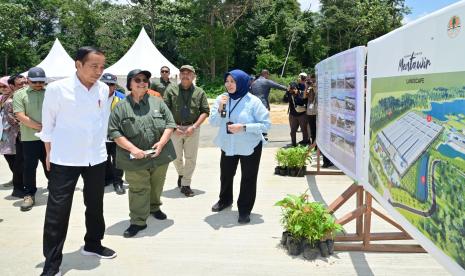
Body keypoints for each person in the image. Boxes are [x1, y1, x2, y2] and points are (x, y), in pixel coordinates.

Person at [37, 46, 116, 276]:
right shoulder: (57, 89)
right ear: (78, 64)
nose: (99, 71)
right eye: (94, 66)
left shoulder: (103, 89)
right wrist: (49, 153)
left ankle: (93, 243)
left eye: (102, 67)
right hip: (65, 158)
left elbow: (102, 121)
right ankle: (52, 264)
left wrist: (103, 150)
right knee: (57, 212)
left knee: (95, 205)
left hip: (95, 158)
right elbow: (48, 125)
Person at [108, 69, 177, 238]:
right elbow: (114, 132)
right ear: (130, 84)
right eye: (137, 79)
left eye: (145, 79)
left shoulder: (157, 102)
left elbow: (170, 124)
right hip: (134, 159)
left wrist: (161, 143)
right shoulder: (121, 107)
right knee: (139, 189)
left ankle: (154, 207)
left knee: (157, 185)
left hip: (159, 155)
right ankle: (138, 221)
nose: (142, 82)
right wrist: (133, 149)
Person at [209, 69, 270, 223]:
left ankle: (244, 209)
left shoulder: (253, 101)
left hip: (250, 145)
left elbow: (266, 125)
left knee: (248, 178)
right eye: (227, 81)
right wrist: (221, 107)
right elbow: (214, 122)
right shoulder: (221, 99)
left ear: (242, 82)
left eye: (233, 81)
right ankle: (225, 200)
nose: (229, 85)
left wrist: (244, 127)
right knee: (226, 174)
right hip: (228, 144)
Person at [164, 65, 210, 197]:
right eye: (182, 73)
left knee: (190, 158)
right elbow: (165, 110)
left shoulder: (200, 92)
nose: (185, 75)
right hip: (175, 129)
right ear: (179, 75)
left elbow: (205, 111)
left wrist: (194, 126)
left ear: (193, 76)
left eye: (188, 73)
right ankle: (182, 174)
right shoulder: (170, 90)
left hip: (192, 129)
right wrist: (173, 127)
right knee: (175, 157)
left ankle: (186, 184)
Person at [13, 67, 50, 211]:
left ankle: (55, 190)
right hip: (30, 138)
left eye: (41, 81)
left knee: (51, 164)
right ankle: (29, 194)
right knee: (29, 167)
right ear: (28, 80)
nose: (39, 84)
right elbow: (20, 115)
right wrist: (40, 127)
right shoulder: (20, 94)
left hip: (49, 137)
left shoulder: (50, 93)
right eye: (35, 82)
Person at [100, 73, 126, 195]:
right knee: (102, 160)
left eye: (111, 84)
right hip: (100, 137)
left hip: (117, 137)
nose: (108, 86)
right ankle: (106, 179)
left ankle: (118, 182)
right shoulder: (95, 97)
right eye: (105, 83)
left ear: (115, 86)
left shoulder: (121, 98)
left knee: (118, 161)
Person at [0, 76, 24, 197]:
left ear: (10, 86)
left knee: (15, 159)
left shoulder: (12, 99)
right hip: (4, 133)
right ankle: (17, 179)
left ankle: (19, 181)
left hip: (13, 134)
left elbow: (14, 119)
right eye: (0, 86)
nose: (2, 88)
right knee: (9, 157)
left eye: (4, 85)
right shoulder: (3, 98)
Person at [283, 82, 309, 147]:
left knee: (304, 130)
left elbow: (302, 102)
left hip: (302, 114)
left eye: (292, 88)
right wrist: (287, 92)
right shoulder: (289, 93)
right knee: (293, 131)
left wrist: (297, 95)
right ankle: (293, 143)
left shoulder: (301, 93)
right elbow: (285, 100)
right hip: (292, 115)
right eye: (290, 88)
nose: (291, 89)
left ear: (296, 88)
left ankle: (305, 142)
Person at [305, 76, 317, 145]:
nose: (311, 82)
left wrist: (313, 86)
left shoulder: (316, 87)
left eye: (313, 81)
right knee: (312, 130)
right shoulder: (309, 88)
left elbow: (316, 93)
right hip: (309, 112)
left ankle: (316, 146)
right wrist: (307, 87)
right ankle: (313, 144)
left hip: (316, 112)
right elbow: (304, 96)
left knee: (316, 130)